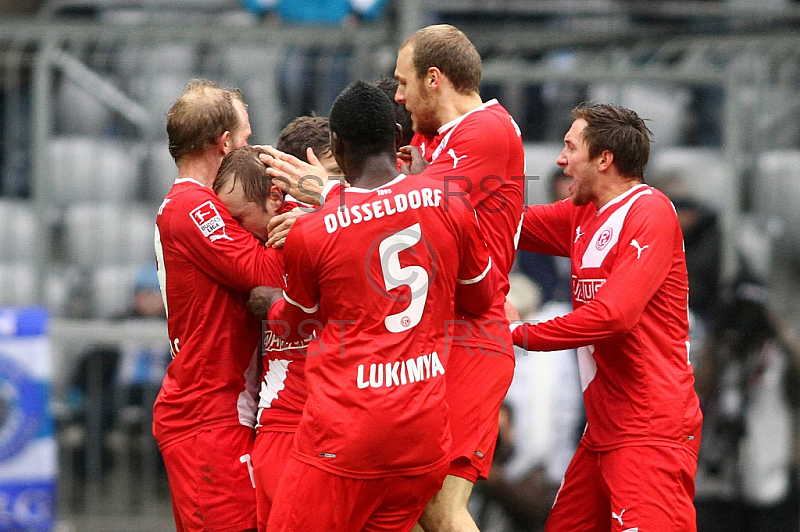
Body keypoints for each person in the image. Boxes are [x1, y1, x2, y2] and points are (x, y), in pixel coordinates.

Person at [252, 80, 496, 531]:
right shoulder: (450, 200)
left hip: (346, 439)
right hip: (422, 439)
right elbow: (482, 298)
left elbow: (292, 322)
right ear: (399, 140)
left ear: (337, 148)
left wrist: (270, 298)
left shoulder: (315, 231)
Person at [511, 102, 703, 532]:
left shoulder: (649, 211)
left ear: (604, 159)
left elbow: (613, 316)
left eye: (570, 147)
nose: (560, 161)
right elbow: (504, 227)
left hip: (650, 430)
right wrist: (419, 191)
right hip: (603, 431)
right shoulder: (583, 214)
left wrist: (516, 334)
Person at [393, 24, 525, 532]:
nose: (399, 96)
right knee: (407, 501)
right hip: (439, 331)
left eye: (404, 83)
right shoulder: (436, 136)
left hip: (473, 332)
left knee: (439, 508)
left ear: (434, 79)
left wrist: (329, 198)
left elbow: (413, 208)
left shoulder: (486, 131)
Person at [153, 80, 283, 532]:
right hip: (207, 417)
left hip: (219, 411)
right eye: (246, 137)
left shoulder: (196, 206)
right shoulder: (193, 207)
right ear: (224, 142)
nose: (252, 147)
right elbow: (266, 272)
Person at [247, 116, 345, 530]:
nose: (342, 187)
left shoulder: (315, 226)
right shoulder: (269, 228)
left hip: (304, 426)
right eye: (333, 175)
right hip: (296, 429)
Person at [693, 279, 800, 532]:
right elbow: (698, 390)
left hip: (766, 479)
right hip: (717, 479)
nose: (746, 322)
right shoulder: (721, 347)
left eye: (753, 314)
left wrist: (779, 333)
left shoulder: (777, 354)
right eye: (739, 313)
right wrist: (717, 335)